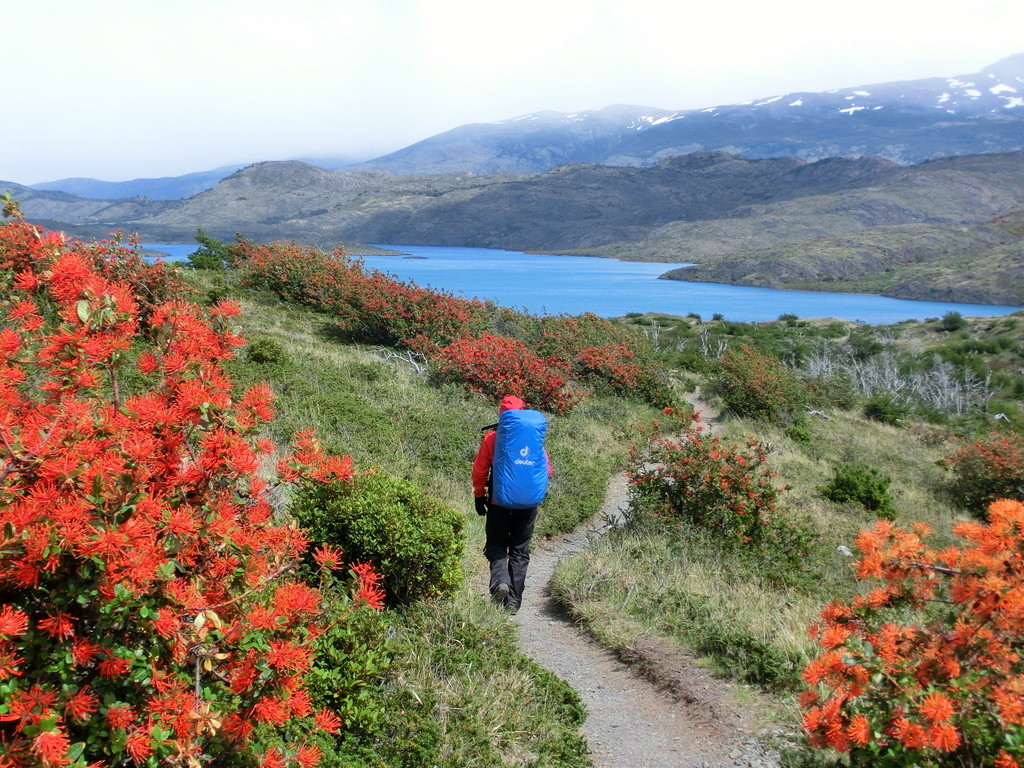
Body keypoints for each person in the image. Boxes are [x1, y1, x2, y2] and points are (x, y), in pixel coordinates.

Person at [472, 395, 552, 613]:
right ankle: (514, 603)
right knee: (519, 550)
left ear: (502, 412)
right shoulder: (532, 438)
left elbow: (480, 470)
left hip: (499, 502)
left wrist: (479, 496)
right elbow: (547, 470)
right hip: (528, 504)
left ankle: (500, 582)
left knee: (497, 545)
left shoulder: (492, 437)